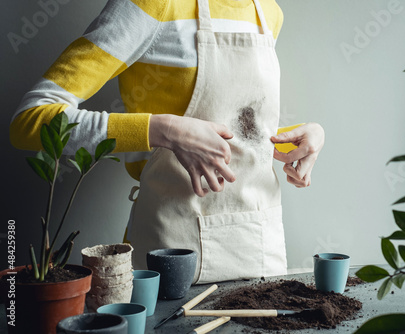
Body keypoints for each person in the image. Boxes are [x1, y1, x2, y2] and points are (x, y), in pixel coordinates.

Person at [10, 0, 325, 283]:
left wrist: (304, 137)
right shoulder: (152, 6)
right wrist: (164, 130)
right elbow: (30, 120)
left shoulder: (267, 12)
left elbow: (238, 129)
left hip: (260, 251)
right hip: (170, 254)